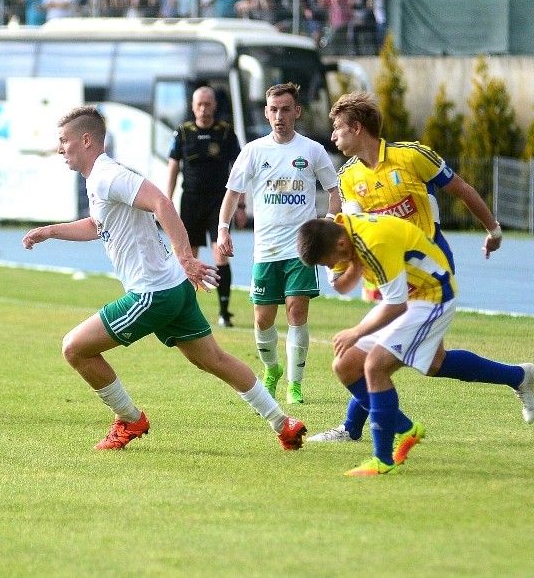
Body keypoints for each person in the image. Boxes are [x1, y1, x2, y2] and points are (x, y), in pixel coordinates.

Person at [21, 105, 307, 451]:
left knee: (75, 348)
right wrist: (50, 231)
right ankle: (283, 423)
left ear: (85, 140)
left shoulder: (108, 174)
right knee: (213, 359)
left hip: (152, 293)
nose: (59, 148)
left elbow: (162, 203)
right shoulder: (96, 180)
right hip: (172, 289)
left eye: (64, 141)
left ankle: (129, 419)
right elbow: (98, 226)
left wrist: (187, 258)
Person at [306, 91, 534, 445]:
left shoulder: (411, 156)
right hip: (387, 269)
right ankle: (519, 377)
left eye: (337, 128)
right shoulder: (349, 176)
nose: (333, 136)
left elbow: (461, 189)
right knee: (420, 361)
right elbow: (351, 234)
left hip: (429, 269)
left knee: (381, 356)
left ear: (356, 127)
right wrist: (342, 272)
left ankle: (355, 429)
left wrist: (493, 230)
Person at [298, 214, 534, 475]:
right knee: (346, 365)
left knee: (375, 366)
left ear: (341, 245)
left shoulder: (373, 242)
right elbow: (343, 287)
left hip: (432, 296)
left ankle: (383, 459)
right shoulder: (343, 233)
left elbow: (396, 305)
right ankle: (517, 376)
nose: (332, 266)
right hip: (409, 297)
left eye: (330, 261)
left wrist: (356, 332)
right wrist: (354, 265)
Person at [218, 83, 341, 405]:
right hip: (266, 250)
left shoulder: (312, 150)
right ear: (266, 113)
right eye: (273, 110)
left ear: (297, 112)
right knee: (262, 319)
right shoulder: (254, 151)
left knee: (296, 311)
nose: (279, 116)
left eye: (286, 109)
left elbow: (335, 191)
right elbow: (233, 192)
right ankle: (272, 369)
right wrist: (223, 229)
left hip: (301, 250)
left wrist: (328, 223)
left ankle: (295, 384)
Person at [166, 86, 243, 328]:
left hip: (218, 203)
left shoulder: (226, 133)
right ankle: (186, 309)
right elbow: (173, 168)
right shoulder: (183, 133)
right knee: (189, 257)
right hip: (190, 201)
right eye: (199, 104)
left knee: (220, 254)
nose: (203, 109)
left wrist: (241, 205)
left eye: (207, 104)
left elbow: (239, 171)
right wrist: (165, 202)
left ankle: (224, 312)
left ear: (214, 106)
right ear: (192, 106)